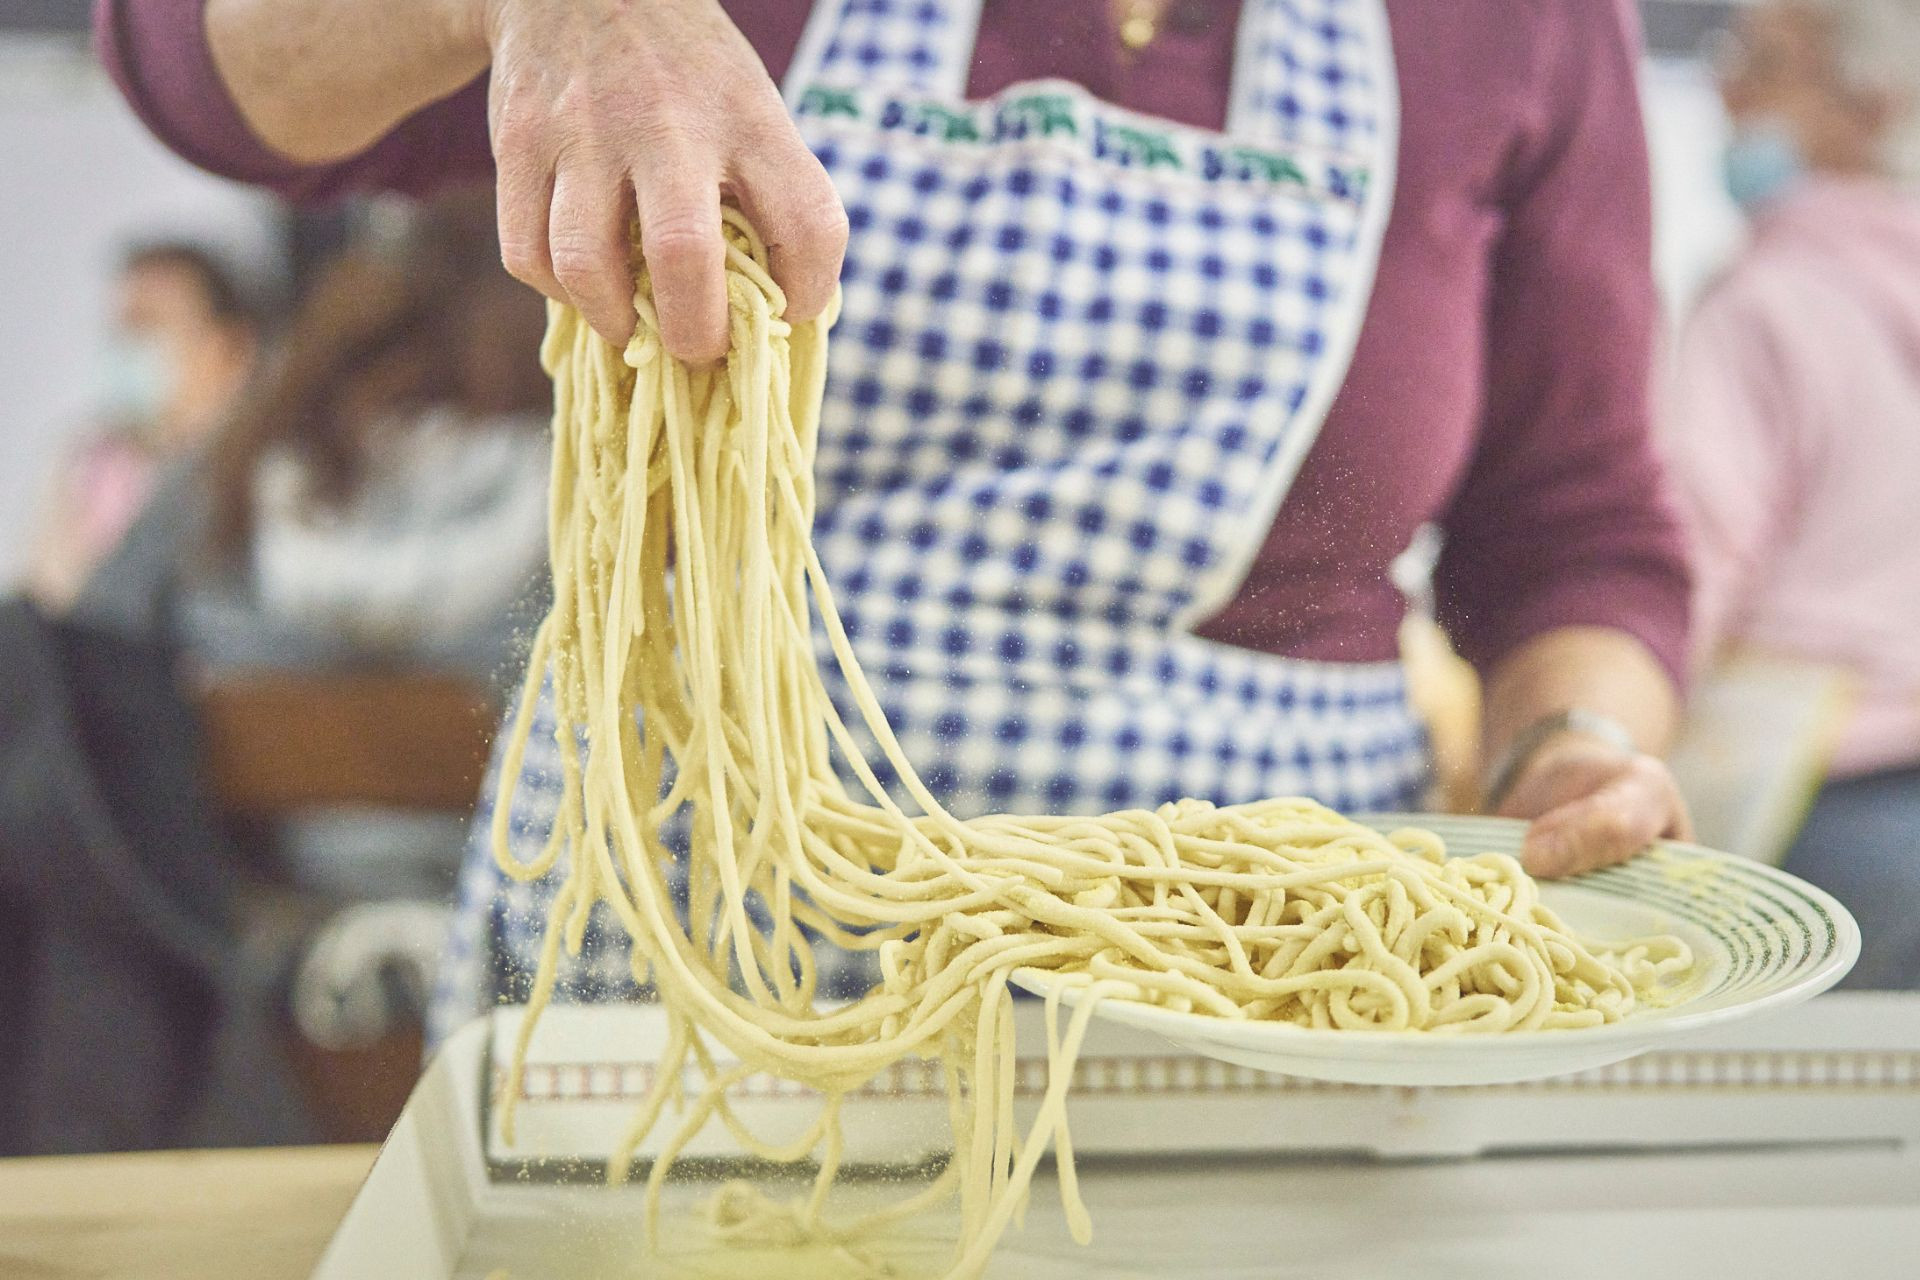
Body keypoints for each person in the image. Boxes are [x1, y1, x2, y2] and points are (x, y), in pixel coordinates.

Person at [98, 0, 1696, 1039]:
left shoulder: (1518, 25)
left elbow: (1577, 528)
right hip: (696, 972)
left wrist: (1569, 744)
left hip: (1261, 991)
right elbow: (194, 70)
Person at [1664, 0, 1920, 989]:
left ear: (1874, 103)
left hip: (1817, 810)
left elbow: (1690, 560)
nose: (1726, 92)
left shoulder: (1769, 301)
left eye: (1766, 67)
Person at [26, 241, 259, 611]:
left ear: (227, 349)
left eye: (148, 326)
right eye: (120, 331)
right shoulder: (86, 467)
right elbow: (46, 602)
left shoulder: (261, 470)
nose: (129, 349)